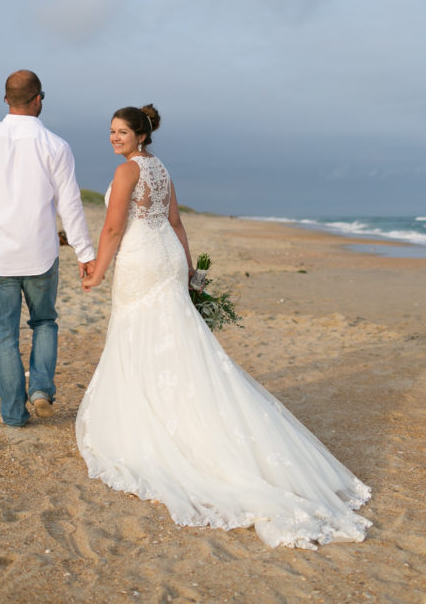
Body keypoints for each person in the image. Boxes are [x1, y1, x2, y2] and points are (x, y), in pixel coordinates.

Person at [76, 105, 371, 548]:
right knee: (176, 341)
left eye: (122, 132)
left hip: (140, 262)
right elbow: (175, 223)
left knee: (141, 337)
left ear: (141, 135)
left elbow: (114, 228)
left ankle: (157, 418)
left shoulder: (126, 174)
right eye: (111, 132)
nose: (115, 138)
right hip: (168, 262)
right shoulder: (161, 169)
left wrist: (97, 271)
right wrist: (189, 271)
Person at [0, 70, 96, 427]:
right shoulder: (56, 145)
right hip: (41, 255)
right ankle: (40, 388)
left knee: (3, 335)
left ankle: (13, 413)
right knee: (44, 322)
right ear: (38, 99)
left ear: (6, 100)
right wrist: (85, 254)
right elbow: (70, 205)